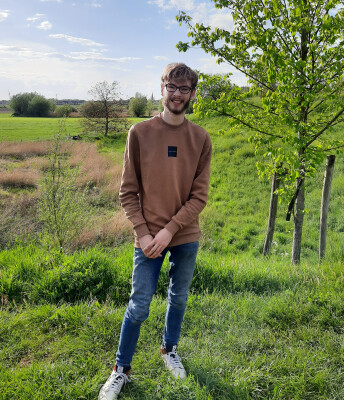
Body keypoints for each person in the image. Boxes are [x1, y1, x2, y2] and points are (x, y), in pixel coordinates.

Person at [98, 63, 212, 400]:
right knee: (139, 305)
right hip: (146, 238)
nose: (177, 94)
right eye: (172, 87)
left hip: (184, 235)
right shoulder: (139, 133)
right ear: (162, 88)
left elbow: (199, 196)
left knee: (178, 298)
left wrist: (171, 230)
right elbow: (127, 192)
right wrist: (146, 234)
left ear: (192, 94)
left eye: (185, 89)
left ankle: (169, 350)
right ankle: (121, 370)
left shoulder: (200, 138)